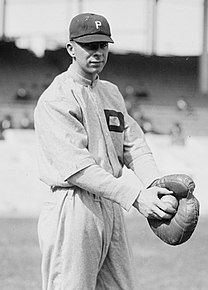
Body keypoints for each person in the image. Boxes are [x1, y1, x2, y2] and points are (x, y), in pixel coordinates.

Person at [34, 13, 176, 290]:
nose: (98, 52)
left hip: (110, 205)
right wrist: (136, 198)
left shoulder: (111, 92)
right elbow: (79, 169)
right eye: (90, 46)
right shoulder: (57, 97)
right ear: (71, 49)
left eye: (103, 45)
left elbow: (134, 144)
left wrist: (156, 186)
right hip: (74, 206)